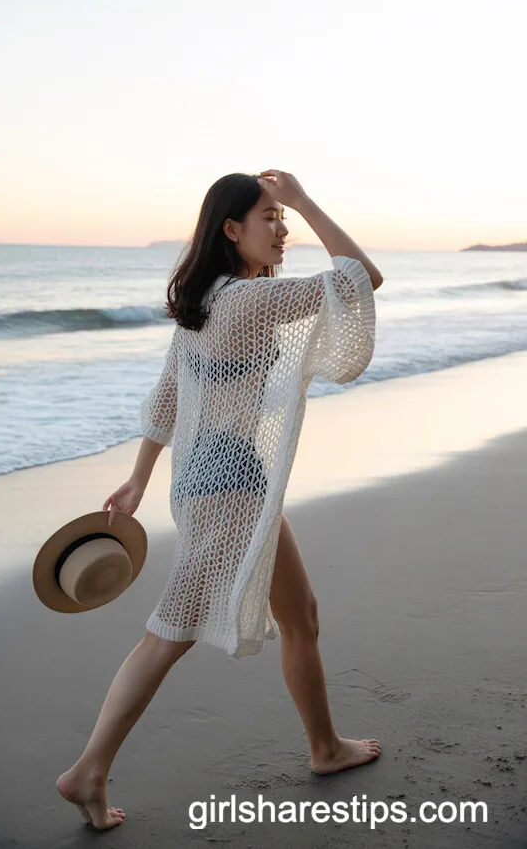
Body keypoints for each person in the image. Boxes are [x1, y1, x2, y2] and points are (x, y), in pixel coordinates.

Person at [56, 169, 384, 830]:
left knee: (301, 616)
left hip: (214, 482)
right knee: (167, 634)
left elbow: (168, 396)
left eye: (283, 217)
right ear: (232, 230)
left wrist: (141, 478)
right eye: (271, 217)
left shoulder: (206, 303)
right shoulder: (245, 304)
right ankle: (87, 769)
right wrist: (307, 199)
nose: (282, 228)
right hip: (228, 487)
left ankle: (324, 747)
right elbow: (361, 277)